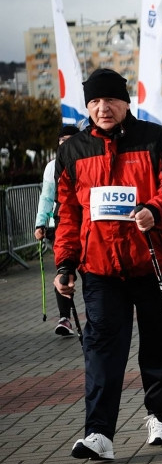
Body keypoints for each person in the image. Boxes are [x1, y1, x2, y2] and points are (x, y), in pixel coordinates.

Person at [54, 68, 162, 460]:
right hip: (100, 269)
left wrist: (155, 209)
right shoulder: (73, 150)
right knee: (101, 349)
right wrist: (65, 264)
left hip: (155, 262)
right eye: (95, 101)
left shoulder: (156, 140)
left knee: (158, 344)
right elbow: (69, 215)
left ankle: (159, 417)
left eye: (110, 99)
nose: (103, 108)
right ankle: (98, 434)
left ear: (125, 101)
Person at [35, 124, 80, 336]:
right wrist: (40, 223)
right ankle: (65, 318)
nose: (66, 144)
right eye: (63, 141)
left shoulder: (85, 160)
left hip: (85, 223)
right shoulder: (52, 166)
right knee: (63, 271)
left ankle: (99, 317)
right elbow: (46, 196)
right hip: (59, 224)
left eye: (71, 140)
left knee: (90, 272)